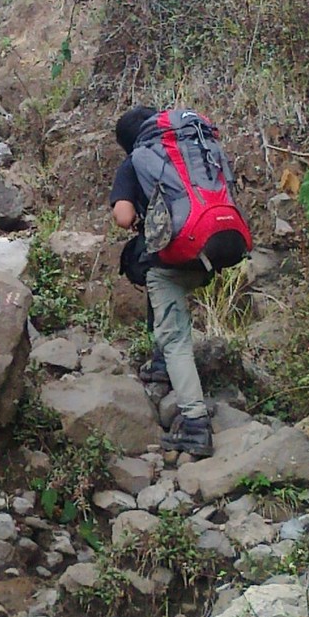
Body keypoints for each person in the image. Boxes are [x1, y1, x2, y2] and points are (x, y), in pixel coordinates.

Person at [110, 105, 217, 457]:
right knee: (163, 289)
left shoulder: (135, 160)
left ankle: (196, 425)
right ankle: (159, 363)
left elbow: (123, 218)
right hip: (211, 249)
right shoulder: (194, 150)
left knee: (176, 340)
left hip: (170, 260)